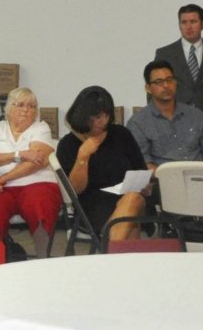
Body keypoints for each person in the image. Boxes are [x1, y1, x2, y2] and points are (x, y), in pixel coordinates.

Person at [56, 86, 148, 241]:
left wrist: (145, 184)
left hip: (129, 194)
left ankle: (112, 249)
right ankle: (117, 250)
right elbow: (74, 190)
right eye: (97, 117)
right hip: (93, 204)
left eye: (107, 115)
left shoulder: (121, 134)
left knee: (133, 199)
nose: (103, 121)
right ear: (83, 115)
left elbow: (141, 170)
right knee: (131, 215)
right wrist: (83, 156)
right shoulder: (68, 144)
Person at [0, 87, 61, 257]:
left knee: (40, 203)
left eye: (31, 106)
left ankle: (43, 259)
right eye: (21, 105)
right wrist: (20, 155)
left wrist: (4, 177)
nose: (26, 110)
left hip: (35, 182)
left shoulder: (41, 128)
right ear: (8, 108)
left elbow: (35, 163)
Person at [154, 4, 203, 131]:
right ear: (179, 25)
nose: (188, 27)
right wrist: (161, 122)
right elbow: (155, 90)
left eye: (193, 22)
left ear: (202, 24)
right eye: (184, 22)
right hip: (174, 125)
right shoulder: (165, 54)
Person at [128, 60, 203, 168]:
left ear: (175, 82)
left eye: (169, 80)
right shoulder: (138, 123)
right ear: (148, 88)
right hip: (162, 177)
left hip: (198, 175)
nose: (166, 85)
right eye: (159, 81)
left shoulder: (197, 116)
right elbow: (144, 164)